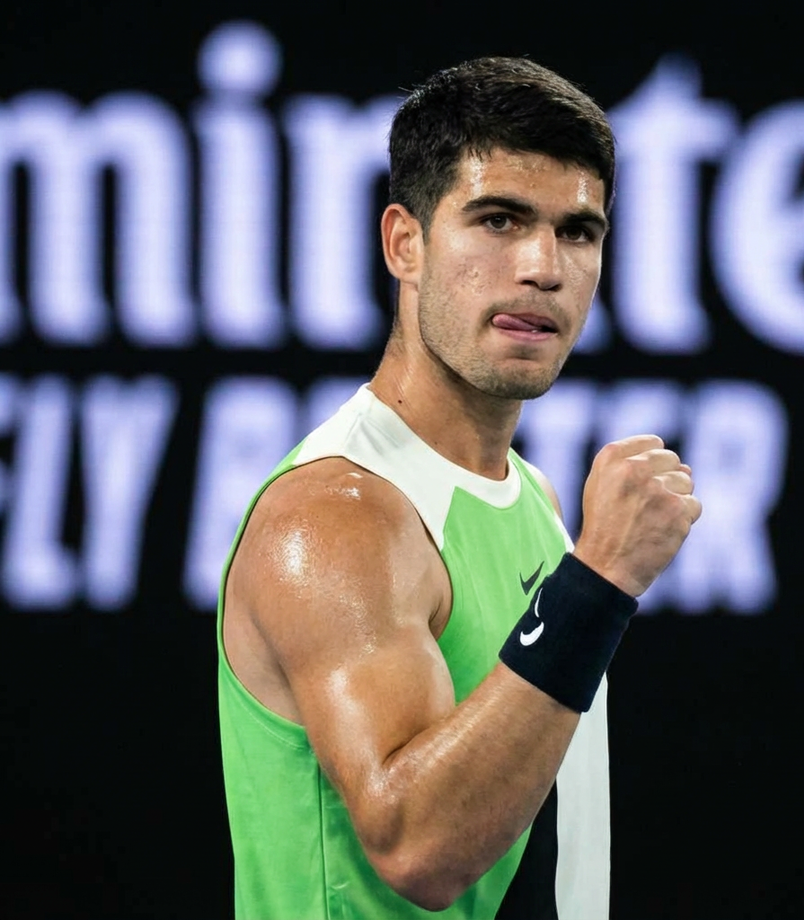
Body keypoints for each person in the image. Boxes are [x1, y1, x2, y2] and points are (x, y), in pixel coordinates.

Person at [217, 56, 702, 920]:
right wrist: (597, 585)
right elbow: (419, 848)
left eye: (578, 232)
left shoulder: (529, 495)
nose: (542, 267)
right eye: (499, 219)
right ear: (405, 242)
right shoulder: (335, 517)